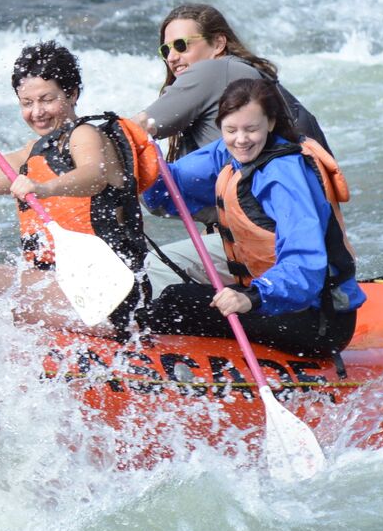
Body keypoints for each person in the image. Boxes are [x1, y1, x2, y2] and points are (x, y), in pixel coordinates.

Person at [0, 42, 158, 332]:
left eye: (46, 99)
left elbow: (92, 175)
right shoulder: (34, 152)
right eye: (27, 103)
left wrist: (43, 187)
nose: (37, 112)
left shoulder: (86, 135)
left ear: (72, 94)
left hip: (111, 295)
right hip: (65, 288)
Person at [139, 78, 362, 357]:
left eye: (251, 129)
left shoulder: (283, 176)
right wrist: (142, 150)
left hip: (316, 318)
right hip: (269, 290)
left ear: (270, 123)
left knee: (176, 301)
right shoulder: (229, 150)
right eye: (231, 129)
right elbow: (167, 191)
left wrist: (252, 297)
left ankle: (159, 361)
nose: (241, 139)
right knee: (156, 263)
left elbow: (305, 264)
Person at [133, 3, 329, 290]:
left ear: (218, 43)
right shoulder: (253, 82)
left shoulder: (213, 70)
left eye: (182, 45)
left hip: (261, 247)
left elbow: (134, 132)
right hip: (295, 239)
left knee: (145, 273)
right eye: (166, 50)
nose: (173, 57)